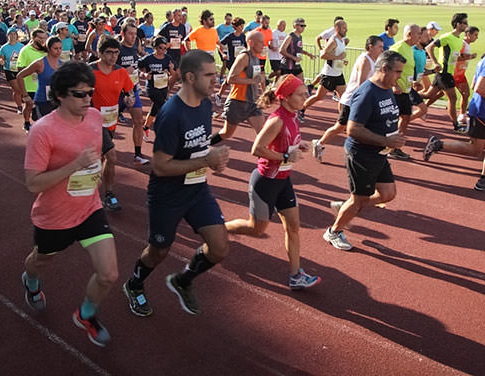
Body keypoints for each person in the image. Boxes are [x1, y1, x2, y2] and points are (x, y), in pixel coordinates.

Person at [122, 50, 230, 318]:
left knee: (219, 248)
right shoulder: (171, 115)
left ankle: (183, 280)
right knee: (159, 250)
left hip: (196, 189)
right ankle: (134, 285)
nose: (216, 79)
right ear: (190, 77)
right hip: (167, 194)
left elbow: (198, 147)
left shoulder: (205, 105)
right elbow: (160, 166)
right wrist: (207, 159)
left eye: (216, 74)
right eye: (210, 75)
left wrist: (211, 158)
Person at [21, 61, 119, 347]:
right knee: (41, 260)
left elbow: (98, 156)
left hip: (89, 208)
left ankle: (86, 314)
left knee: (109, 273)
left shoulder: (95, 118)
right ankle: (30, 279)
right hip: (54, 216)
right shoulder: (43, 130)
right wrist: (74, 166)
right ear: (60, 95)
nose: (87, 99)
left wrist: (96, 178)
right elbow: (33, 183)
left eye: (90, 92)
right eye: (79, 94)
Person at [224, 75, 321, 290]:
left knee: (294, 227)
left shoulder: (294, 116)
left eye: (306, 92)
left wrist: (299, 145)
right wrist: (286, 157)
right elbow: (256, 150)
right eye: (301, 94)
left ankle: (296, 275)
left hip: (283, 181)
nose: (307, 96)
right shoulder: (276, 120)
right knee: (256, 228)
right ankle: (219, 230)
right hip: (265, 182)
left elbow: (285, 144)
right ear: (286, 98)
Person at [324, 50, 406, 252]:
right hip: (362, 154)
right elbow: (352, 130)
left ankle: (347, 206)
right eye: (397, 72)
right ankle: (334, 231)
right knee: (359, 199)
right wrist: (386, 139)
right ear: (384, 69)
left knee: (387, 194)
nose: (400, 76)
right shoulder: (367, 93)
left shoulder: (387, 88)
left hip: (379, 153)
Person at [424, 31, 485, 194]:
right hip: (481, 111)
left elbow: (474, 84)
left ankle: (484, 180)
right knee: (475, 149)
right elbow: (479, 87)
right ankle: (438, 144)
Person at [312, 36, 385, 162]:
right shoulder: (365, 60)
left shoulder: (374, 60)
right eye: (380, 47)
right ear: (370, 47)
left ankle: (368, 153)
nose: (382, 50)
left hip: (361, 100)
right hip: (352, 101)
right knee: (340, 127)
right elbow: (361, 84)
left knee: (366, 127)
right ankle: (319, 143)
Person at [91, 37, 137, 211]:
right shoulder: (90, 71)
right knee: (112, 156)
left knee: (100, 158)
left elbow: (130, 91)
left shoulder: (121, 72)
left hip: (111, 121)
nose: (113, 56)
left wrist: (130, 99)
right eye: (109, 52)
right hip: (93, 122)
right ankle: (109, 195)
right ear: (100, 53)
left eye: (116, 52)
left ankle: (89, 189)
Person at [424, 13, 470, 133]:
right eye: (465, 23)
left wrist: (464, 56)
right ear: (458, 24)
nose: (467, 25)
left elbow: (454, 55)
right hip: (444, 73)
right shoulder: (447, 37)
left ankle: (407, 96)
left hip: (449, 73)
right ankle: (456, 125)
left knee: (428, 95)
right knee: (453, 98)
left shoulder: (460, 39)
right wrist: (436, 63)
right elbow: (429, 47)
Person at [217, 30, 267, 141]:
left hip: (252, 103)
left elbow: (258, 77)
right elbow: (231, 79)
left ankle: (265, 156)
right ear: (251, 43)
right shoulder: (244, 57)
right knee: (226, 133)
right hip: (237, 102)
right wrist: (253, 81)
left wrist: (265, 92)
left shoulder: (257, 58)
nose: (264, 45)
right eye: (260, 42)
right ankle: (205, 146)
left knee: (263, 133)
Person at [116, 24, 150, 165]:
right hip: (117, 92)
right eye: (130, 33)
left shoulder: (136, 46)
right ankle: (104, 150)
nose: (133, 36)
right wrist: (123, 71)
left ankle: (137, 155)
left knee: (139, 121)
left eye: (135, 34)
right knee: (108, 123)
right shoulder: (117, 49)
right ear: (123, 34)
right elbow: (109, 68)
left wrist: (142, 73)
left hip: (132, 89)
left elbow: (135, 66)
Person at [301, 19, 348, 119]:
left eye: (346, 27)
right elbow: (323, 55)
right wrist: (338, 58)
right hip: (329, 75)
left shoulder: (342, 40)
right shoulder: (333, 40)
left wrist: (342, 60)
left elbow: (337, 55)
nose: (346, 30)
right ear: (337, 28)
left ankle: (342, 120)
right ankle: (302, 108)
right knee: (319, 96)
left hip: (338, 74)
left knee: (343, 98)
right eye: (344, 28)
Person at [391, 24, 429, 137]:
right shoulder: (398, 48)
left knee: (406, 117)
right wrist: (394, 85)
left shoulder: (409, 49)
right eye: (418, 34)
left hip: (406, 90)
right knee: (391, 120)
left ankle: (394, 146)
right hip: (396, 92)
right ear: (409, 34)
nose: (420, 36)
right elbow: (388, 68)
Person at [138, 37, 177, 143]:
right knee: (164, 108)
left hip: (163, 88)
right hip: (152, 89)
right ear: (155, 47)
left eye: (165, 48)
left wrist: (171, 69)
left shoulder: (167, 59)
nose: (163, 51)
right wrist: (145, 74)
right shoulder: (148, 59)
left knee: (154, 110)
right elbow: (139, 68)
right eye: (161, 48)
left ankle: (145, 128)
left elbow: (174, 75)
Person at [17, 36, 64, 119]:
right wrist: (25, 95)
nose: (58, 51)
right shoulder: (40, 63)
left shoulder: (62, 64)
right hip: (43, 102)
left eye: (60, 48)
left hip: (58, 101)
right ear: (48, 49)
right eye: (55, 48)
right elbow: (20, 76)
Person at [17, 29, 49, 132]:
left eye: (45, 38)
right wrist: (34, 71)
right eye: (41, 38)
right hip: (30, 85)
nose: (44, 40)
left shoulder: (46, 50)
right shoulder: (25, 50)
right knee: (29, 105)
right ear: (34, 38)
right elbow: (20, 69)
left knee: (46, 106)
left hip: (45, 85)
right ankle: (26, 122)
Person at [452, 26, 480, 127]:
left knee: (466, 93)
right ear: (468, 34)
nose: (476, 37)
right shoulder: (462, 44)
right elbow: (455, 57)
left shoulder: (466, 44)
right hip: (453, 74)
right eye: (475, 35)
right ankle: (422, 106)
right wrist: (470, 56)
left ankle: (462, 115)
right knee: (435, 94)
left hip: (460, 74)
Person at [0, 28, 26, 114]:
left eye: (14, 34)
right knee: (17, 90)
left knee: (23, 89)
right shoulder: (4, 48)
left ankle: (23, 102)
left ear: (17, 36)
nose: (12, 36)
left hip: (20, 69)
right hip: (9, 70)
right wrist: (1, 61)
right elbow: (1, 58)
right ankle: (19, 106)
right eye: (10, 34)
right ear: (7, 36)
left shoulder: (21, 46)